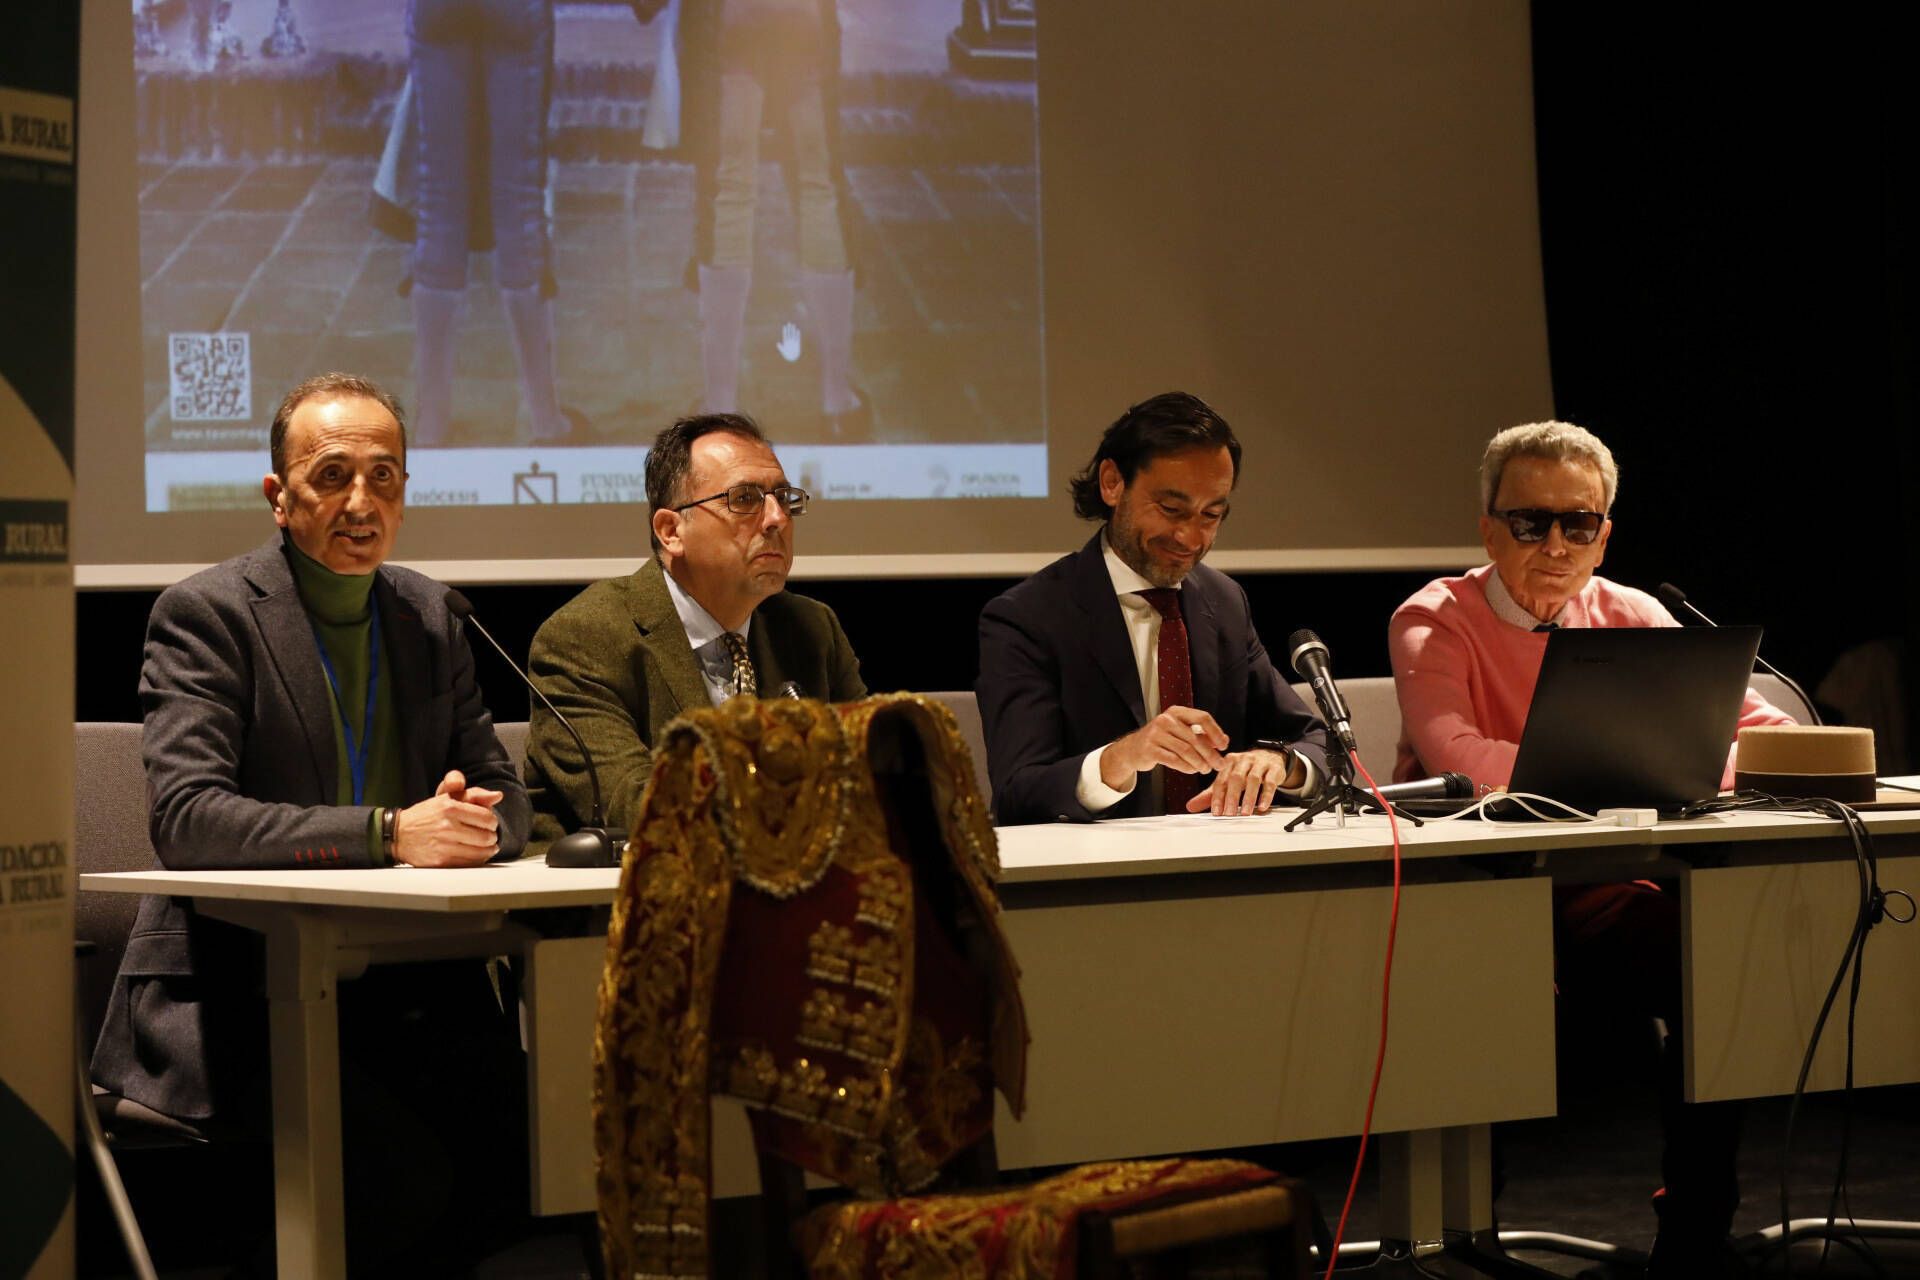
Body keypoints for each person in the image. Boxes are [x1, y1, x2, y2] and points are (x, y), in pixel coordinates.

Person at [90, 372, 532, 1274]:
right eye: (332, 475)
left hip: (409, 989)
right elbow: (188, 819)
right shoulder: (207, 614)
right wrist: (390, 833)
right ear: (277, 496)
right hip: (241, 992)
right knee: (398, 1178)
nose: (360, 502)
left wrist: (483, 825)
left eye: (384, 476)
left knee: (534, 1154)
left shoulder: (432, 617)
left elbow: (504, 788)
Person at [1388, 420, 1794, 1276]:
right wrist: (1644, 768)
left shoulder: (1636, 613)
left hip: (1605, 884)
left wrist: (1680, 763)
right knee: (1475, 974)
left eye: (1580, 524)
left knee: (1716, 956)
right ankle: (1460, 1237)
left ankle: (1695, 1229)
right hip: (1470, 891)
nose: (1557, 544)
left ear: (1605, 534)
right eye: (1531, 522)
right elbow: (1454, 756)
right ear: (1488, 527)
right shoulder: (1435, 617)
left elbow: (1765, 737)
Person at [976, 391, 1329, 825]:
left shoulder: (1224, 602)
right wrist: (1123, 757)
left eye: (1211, 516)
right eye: (1171, 509)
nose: (1190, 539)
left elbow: (1319, 741)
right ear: (1112, 482)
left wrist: (1280, 763)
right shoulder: (1029, 617)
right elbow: (1016, 792)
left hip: (1227, 865)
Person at [525, 412, 866, 848]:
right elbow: (639, 805)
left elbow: (872, 777)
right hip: (629, 903)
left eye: (783, 497)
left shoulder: (811, 629)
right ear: (671, 531)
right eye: (745, 499)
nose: (777, 518)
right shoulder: (585, 638)